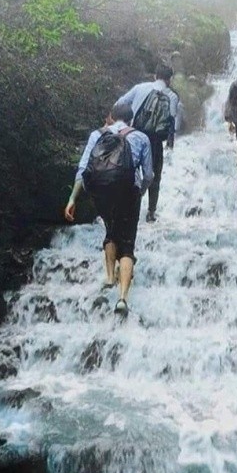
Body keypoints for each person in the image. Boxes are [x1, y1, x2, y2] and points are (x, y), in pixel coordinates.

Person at [64, 103, 153, 316]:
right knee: (127, 243)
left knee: (111, 231)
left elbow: (84, 168)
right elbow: (148, 175)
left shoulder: (97, 135)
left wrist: (72, 199)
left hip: (101, 193)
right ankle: (122, 298)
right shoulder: (140, 138)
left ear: (111, 117)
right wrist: (139, 192)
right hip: (128, 192)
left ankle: (110, 278)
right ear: (131, 120)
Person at [114, 63, 179, 222]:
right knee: (154, 176)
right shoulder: (172, 96)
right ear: (169, 79)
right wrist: (170, 141)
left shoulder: (140, 88)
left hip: (134, 137)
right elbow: (171, 120)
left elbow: (119, 104)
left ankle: (124, 206)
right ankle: (151, 212)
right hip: (155, 142)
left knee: (128, 170)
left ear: (155, 76)